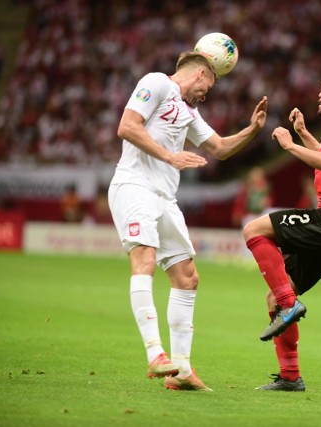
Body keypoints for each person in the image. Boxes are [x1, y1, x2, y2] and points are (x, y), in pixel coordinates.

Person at [108, 51, 268, 391]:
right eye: (208, 84)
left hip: (165, 199)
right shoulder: (156, 83)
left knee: (187, 277)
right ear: (198, 74)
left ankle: (181, 371)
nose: (207, 93)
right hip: (134, 186)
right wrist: (169, 155)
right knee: (145, 260)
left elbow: (221, 148)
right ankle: (155, 352)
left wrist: (252, 130)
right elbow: (127, 126)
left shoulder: (188, 111)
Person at [242, 65, 321, 392]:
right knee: (275, 299)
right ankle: (290, 377)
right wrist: (303, 134)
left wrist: (289, 145)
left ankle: (290, 303)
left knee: (254, 230)